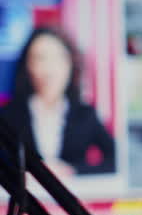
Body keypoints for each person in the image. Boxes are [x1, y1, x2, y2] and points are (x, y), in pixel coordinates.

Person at [0, 26, 115, 176]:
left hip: (71, 197)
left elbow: (115, 160)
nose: (49, 69)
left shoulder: (85, 114)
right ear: (27, 66)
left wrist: (73, 171)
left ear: (71, 64)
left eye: (58, 58)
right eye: (40, 58)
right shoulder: (8, 115)